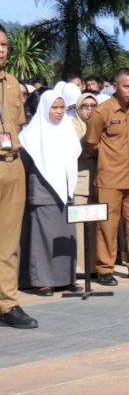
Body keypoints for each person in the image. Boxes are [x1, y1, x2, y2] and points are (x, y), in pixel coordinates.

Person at [84, 67, 129, 286]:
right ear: (115, 86)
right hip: (110, 178)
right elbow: (91, 143)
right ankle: (105, 269)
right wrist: (109, 158)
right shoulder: (102, 111)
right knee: (107, 225)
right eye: (127, 86)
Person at [18, 90, 81, 296]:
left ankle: (66, 278)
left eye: (62, 107)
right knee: (43, 238)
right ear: (45, 108)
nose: (59, 112)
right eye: (54, 107)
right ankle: (43, 281)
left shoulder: (67, 129)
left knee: (66, 236)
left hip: (66, 192)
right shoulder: (31, 133)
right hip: (43, 192)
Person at [0, 24, 38, 328]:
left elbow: (18, 124)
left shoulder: (12, 83)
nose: (1, 50)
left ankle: (7, 304)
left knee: (8, 241)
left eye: (4, 45)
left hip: (12, 163)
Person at [72, 92, 99, 276]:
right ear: (78, 108)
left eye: (93, 106)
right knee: (80, 227)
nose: (90, 109)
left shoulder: (99, 125)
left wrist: (91, 152)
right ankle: (80, 267)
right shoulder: (71, 126)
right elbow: (77, 152)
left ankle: (94, 266)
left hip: (97, 181)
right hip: (79, 183)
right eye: (85, 106)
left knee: (95, 226)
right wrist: (91, 151)